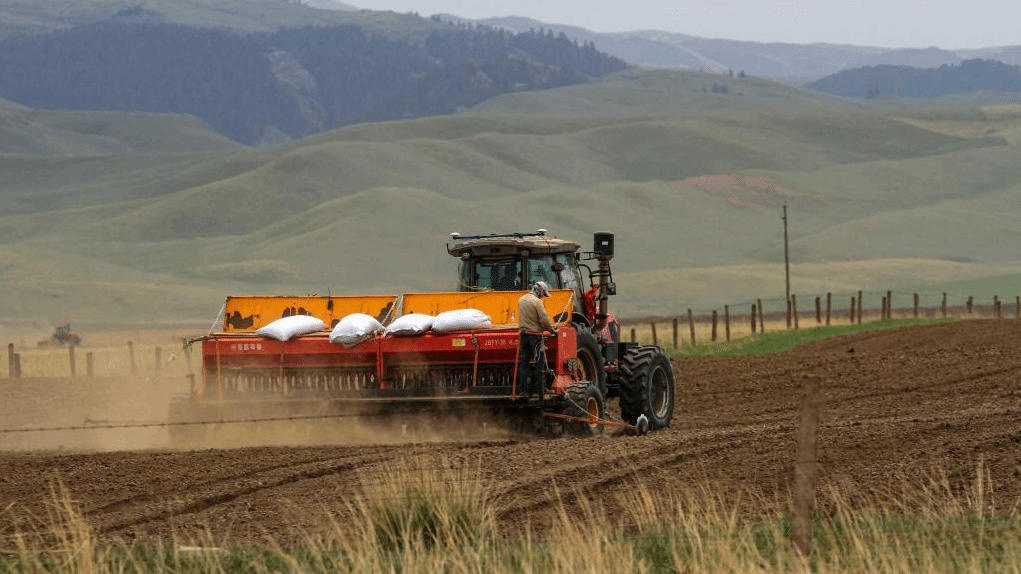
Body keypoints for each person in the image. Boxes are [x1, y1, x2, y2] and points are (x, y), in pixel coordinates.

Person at [517, 281, 555, 398]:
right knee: (539, 363)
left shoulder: (521, 300)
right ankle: (541, 389)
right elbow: (544, 319)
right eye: (543, 294)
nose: (543, 296)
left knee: (524, 363)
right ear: (540, 291)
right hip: (535, 336)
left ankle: (523, 390)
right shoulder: (537, 302)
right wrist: (552, 330)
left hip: (523, 336)